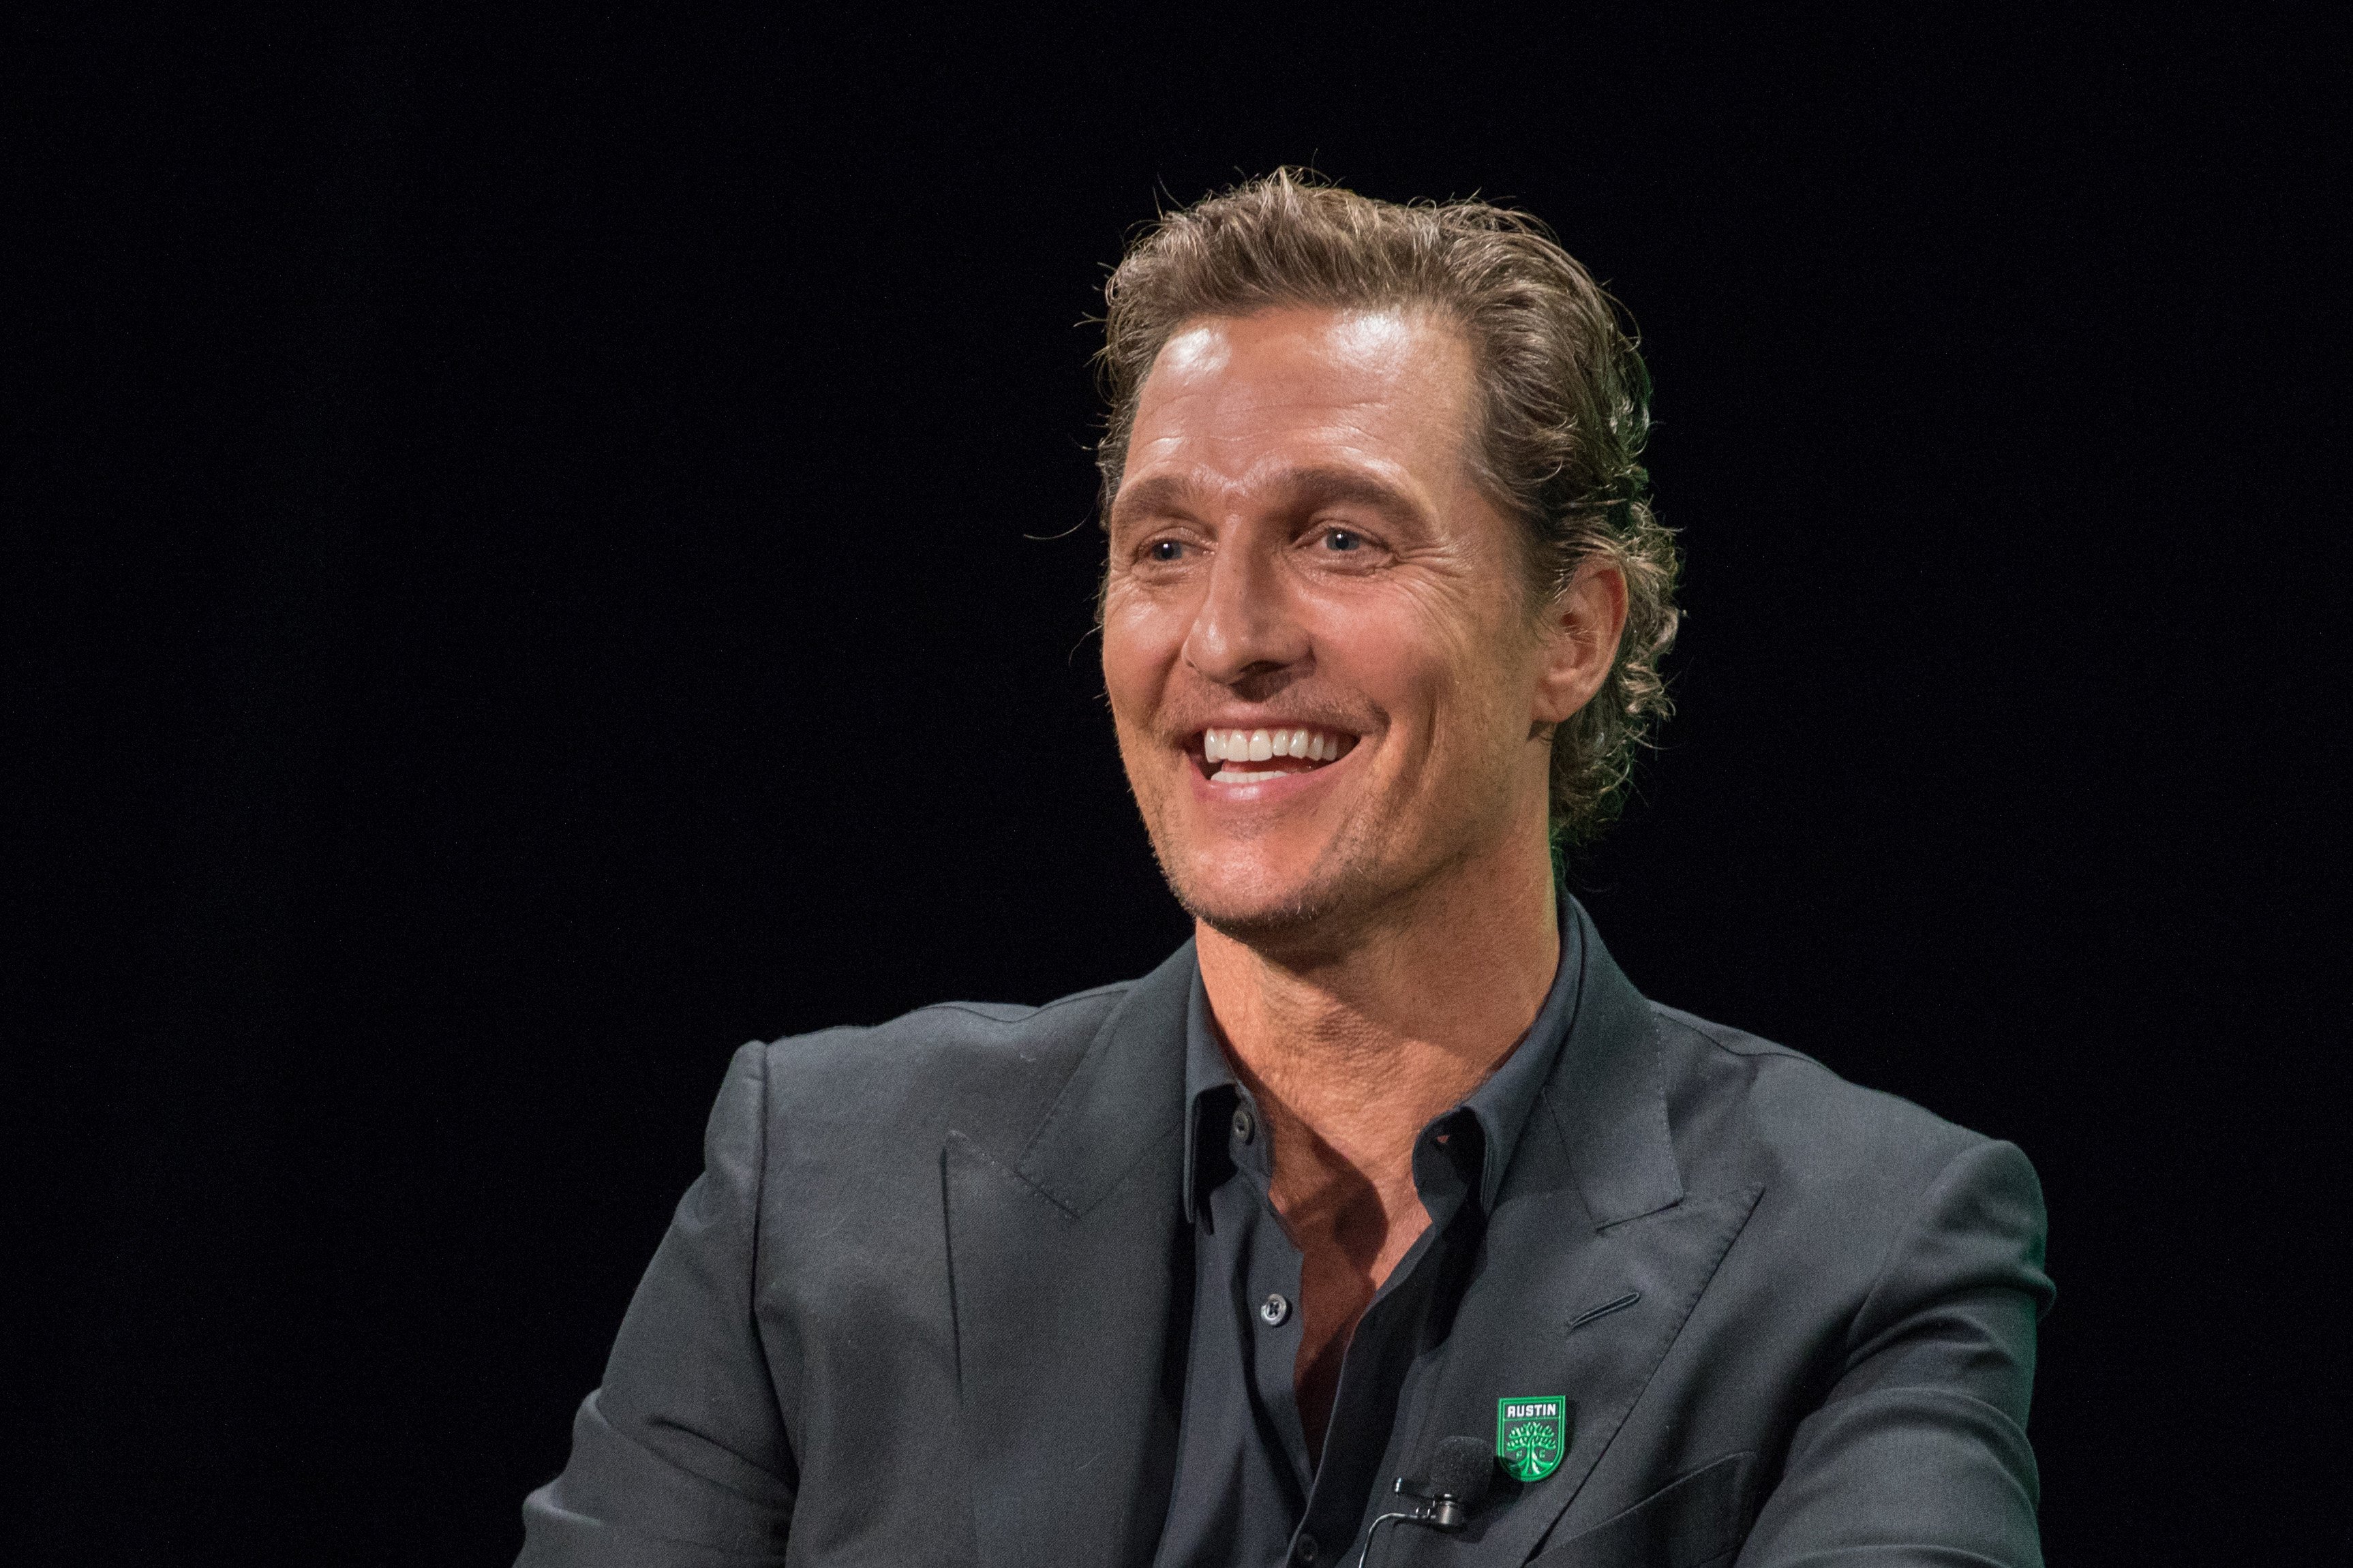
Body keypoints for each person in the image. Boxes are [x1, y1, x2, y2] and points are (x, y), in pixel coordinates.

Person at [516, 170, 2052, 1568]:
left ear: (1572, 633)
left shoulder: (1862, 1245)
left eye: (1339, 537)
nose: (1228, 636)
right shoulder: (821, 1178)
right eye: (1165, 547)